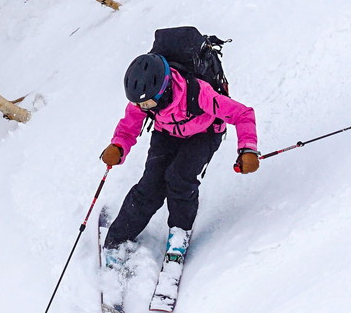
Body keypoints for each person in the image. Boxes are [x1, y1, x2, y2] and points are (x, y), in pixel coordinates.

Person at [100, 53, 259, 265]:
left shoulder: (199, 93)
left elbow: (243, 114)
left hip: (204, 133)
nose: (143, 108)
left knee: (179, 179)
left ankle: (179, 233)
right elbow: (129, 127)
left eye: (147, 103)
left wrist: (248, 149)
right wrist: (118, 146)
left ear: (164, 89)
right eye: (140, 104)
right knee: (150, 185)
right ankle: (119, 237)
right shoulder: (143, 101)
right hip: (167, 133)